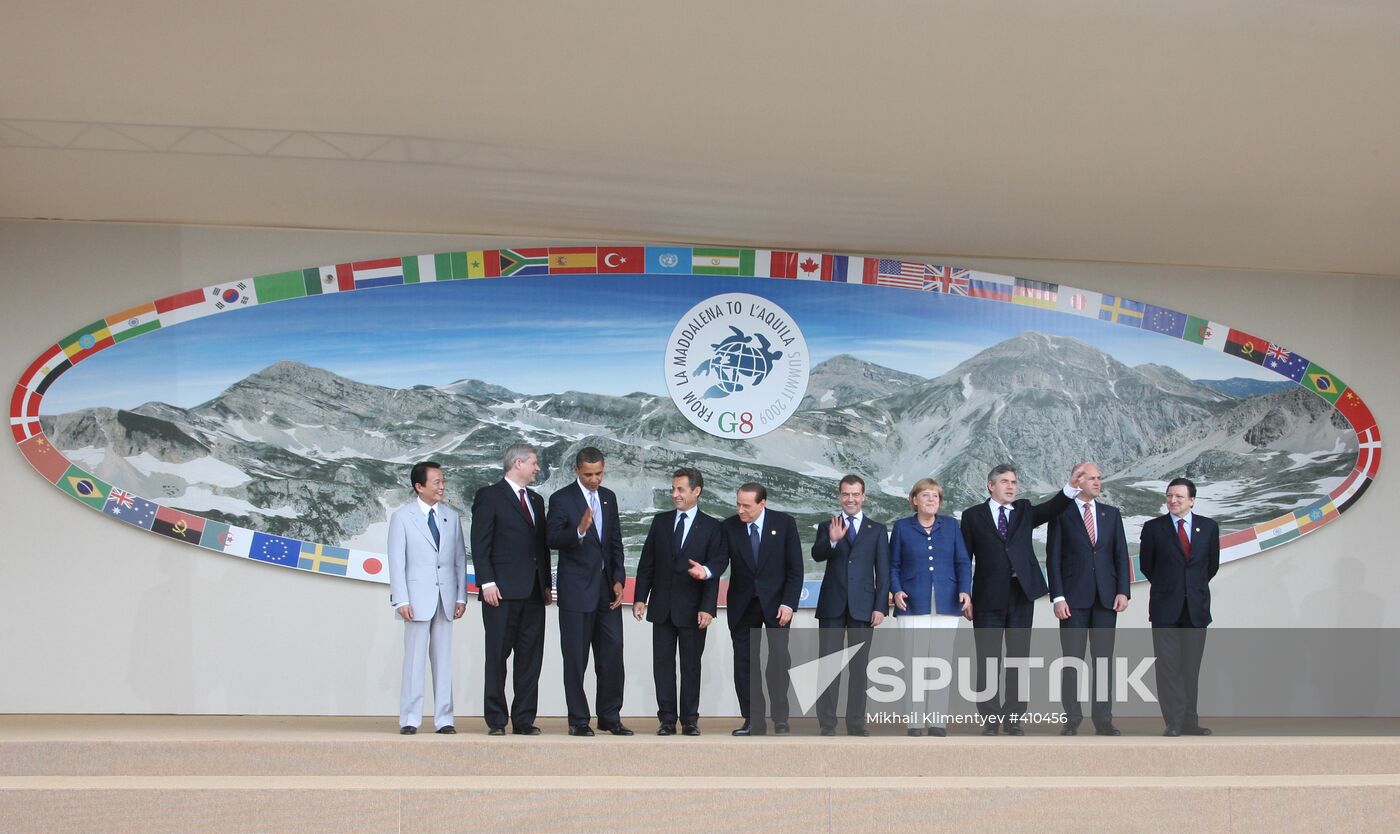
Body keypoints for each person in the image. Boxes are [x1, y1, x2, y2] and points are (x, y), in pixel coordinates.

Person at [961, 462, 1087, 735]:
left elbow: (1052, 508)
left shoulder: (1024, 510)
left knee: (1018, 659)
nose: (1010, 487)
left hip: (1021, 595)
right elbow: (963, 558)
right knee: (987, 660)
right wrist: (966, 595)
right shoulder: (972, 516)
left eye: (1014, 482)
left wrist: (1072, 487)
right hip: (986, 598)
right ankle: (991, 719)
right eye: (1005, 481)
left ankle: (1014, 718)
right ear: (990, 485)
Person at [703, 482, 804, 736]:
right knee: (746, 665)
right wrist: (704, 571)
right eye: (737, 504)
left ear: (762, 504)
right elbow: (719, 561)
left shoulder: (784, 524)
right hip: (743, 605)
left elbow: (795, 569)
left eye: (746, 506)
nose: (740, 510)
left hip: (777, 606)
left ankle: (780, 717)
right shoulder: (729, 527)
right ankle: (753, 720)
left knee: (779, 660)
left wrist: (789, 603)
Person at [546, 447, 631, 736]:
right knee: (576, 658)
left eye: (599, 473)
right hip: (576, 592)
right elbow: (551, 538)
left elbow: (615, 541)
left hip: (607, 593)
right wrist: (579, 531)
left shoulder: (609, 498)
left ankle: (609, 716)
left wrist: (619, 577)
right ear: (576, 471)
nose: (595, 480)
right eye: (588, 474)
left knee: (612, 656)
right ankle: (579, 720)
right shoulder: (561, 499)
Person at [633, 467, 724, 736]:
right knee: (662, 665)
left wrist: (708, 607)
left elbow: (714, 571)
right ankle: (667, 719)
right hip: (661, 607)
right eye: (673, 489)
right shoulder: (660, 522)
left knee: (691, 666)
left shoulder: (712, 527)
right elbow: (646, 563)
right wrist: (640, 598)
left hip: (694, 610)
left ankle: (690, 719)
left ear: (697, 491)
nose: (675, 494)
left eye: (680, 489)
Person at [470, 442, 552, 736]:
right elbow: (480, 543)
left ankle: (524, 719)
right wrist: (487, 582)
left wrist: (546, 585)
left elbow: (541, 548)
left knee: (530, 658)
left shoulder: (537, 500)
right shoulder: (489, 496)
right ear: (518, 463)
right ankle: (496, 719)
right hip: (500, 592)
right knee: (497, 657)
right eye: (534, 462)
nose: (537, 468)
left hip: (532, 593)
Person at [1045, 461, 1130, 736]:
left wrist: (1123, 591)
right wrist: (1058, 597)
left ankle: (1103, 720)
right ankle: (1072, 718)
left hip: (1106, 600)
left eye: (1099, 478)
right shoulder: (1062, 514)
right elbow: (1053, 558)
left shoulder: (1111, 514)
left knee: (1104, 661)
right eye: (1091, 478)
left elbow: (1120, 555)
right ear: (1078, 481)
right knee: (1071, 661)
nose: (1097, 482)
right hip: (1072, 600)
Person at [387, 461, 467, 734]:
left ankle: (445, 719)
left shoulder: (451, 517)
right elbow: (397, 561)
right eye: (436, 482)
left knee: (444, 662)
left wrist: (461, 597)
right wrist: (401, 600)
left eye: (443, 481)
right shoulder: (402, 517)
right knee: (414, 661)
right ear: (419, 486)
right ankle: (410, 718)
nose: (442, 486)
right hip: (416, 599)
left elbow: (458, 560)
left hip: (445, 599)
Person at [889, 478, 971, 737]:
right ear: (915, 500)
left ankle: (937, 721)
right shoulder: (902, 527)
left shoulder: (951, 526)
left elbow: (963, 562)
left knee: (940, 664)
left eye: (935, 496)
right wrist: (897, 589)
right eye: (926, 495)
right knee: (914, 663)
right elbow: (893, 565)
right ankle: (914, 721)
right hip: (913, 603)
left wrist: (965, 590)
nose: (932, 499)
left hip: (947, 603)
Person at [1139, 477, 1220, 737]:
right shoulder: (1154, 528)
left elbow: (1211, 566)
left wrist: (1189, 589)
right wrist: (1171, 587)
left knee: (1190, 667)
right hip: (1165, 608)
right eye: (1169, 496)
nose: (1173, 501)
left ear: (1192, 500)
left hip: (1196, 608)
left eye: (1179, 497)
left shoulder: (1208, 528)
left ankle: (1190, 722)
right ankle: (1173, 721)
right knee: (1168, 667)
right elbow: (1147, 566)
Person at [811, 474, 889, 736]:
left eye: (856, 494)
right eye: (846, 494)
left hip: (864, 607)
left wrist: (880, 607)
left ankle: (856, 723)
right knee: (829, 666)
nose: (851, 499)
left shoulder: (876, 530)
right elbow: (817, 554)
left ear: (864, 496)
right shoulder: (827, 525)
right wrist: (832, 540)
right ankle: (827, 724)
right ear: (839, 496)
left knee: (859, 668)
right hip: (832, 605)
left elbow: (884, 572)